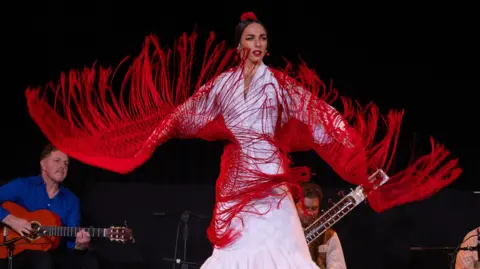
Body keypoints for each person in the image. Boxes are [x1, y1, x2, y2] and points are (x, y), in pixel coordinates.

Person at [24, 11, 461, 268]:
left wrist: (357, 162)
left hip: (270, 175)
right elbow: (183, 114)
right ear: (239, 45)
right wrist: (145, 140)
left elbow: (320, 115)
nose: (257, 43)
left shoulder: (279, 84)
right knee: (235, 252)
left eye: (263, 38)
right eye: (250, 38)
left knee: (286, 249)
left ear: (267, 46)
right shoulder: (223, 85)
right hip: (236, 179)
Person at [0, 144, 98, 269]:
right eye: (57, 160)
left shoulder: (72, 200)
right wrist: (11, 220)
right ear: (44, 165)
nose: (62, 166)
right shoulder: (23, 185)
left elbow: (70, 243)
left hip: (53, 251)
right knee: (42, 259)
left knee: (90, 263)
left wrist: (80, 246)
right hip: (16, 249)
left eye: (66, 163)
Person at [296, 182, 347, 269]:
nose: (310, 213)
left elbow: (338, 266)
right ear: (295, 206)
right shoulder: (286, 233)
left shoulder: (329, 236)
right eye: (305, 208)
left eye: (314, 208)